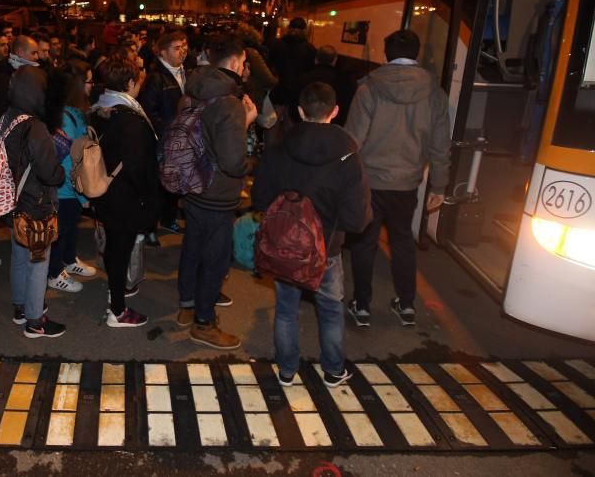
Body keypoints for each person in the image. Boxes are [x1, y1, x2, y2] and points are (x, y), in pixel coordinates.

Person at [251, 82, 371, 388]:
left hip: (285, 246)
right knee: (331, 309)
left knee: (286, 309)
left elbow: (260, 197)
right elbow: (358, 217)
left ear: (300, 111)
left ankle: (287, 369)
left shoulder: (279, 148)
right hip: (327, 248)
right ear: (335, 111)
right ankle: (333, 369)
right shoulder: (348, 155)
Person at [345, 29, 450, 327]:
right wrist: (439, 184)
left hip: (369, 181)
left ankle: (361, 305)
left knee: (365, 242)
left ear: (385, 54)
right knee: (403, 240)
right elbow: (440, 144)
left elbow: (353, 140)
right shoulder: (435, 94)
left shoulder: (369, 89)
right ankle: (406, 304)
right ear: (416, 54)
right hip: (407, 183)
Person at [175, 38, 256, 350]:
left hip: (190, 184)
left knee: (192, 246)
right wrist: (246, 125)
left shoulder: (193, 89)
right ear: (237, 61)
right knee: (215, 258)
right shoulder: (230, 104)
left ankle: (187, 303)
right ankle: (204, 322)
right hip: (217, 192)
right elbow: (233, 162)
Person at [89, 58, 160, 327]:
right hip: (125, 197)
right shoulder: (130, 119)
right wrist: (148, 199)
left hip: (104, 190)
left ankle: (114, 291)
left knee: (113, 248)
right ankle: (117, 311)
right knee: (120, 251)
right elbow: (139, 165)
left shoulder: (99, 109)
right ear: (130, 83)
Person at [0, 66, 67, 337]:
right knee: (38, 262)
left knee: (18, 255)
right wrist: (61, 169)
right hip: (36, 204)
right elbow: (50, 172)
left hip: (13, 201)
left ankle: (21, 307)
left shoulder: (9, 117)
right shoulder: (35, 126)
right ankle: (35, 320)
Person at [45, 60, 98, 293]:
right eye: (88, 80)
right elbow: (62, 159)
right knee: (61, 229)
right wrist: (78, 192)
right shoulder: (65, 117)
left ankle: (68, 260)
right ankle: (54, 273)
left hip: (72, 186)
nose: (92, 85)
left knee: (70, 227)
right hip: (65, 187)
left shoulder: (75, 112)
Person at [138, 31, 189, 239]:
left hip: (182, 138)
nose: (183, 51)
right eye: (177, 48)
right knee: (158, 186)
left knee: (174, 183)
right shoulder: (156, 78)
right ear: (163, 53)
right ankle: (150, 226)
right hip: (164, 140)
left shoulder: (185, 73)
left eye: (184, 46)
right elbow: (149, 111)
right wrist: (167, 132)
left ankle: (169, 219)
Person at [0, 34, 40, 135]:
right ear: (20, 53)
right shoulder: (3, 77)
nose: (37, 57)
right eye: (33, 53)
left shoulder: (28, 74)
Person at [269, 17, 316, 123]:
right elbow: (310, 71)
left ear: (289, 28)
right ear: (304, 30)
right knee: (291, 125)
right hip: (297, 94)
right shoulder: (310, 49)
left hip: (278, 90)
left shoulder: (277, 45)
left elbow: (271, 65)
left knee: (273, 123)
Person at [298, 45, 355, 126]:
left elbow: (294, 106)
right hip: (334, 127)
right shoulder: (344, 82)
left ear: (316, 60)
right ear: (335, 61)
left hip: (304, 125)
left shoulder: (303, 78)